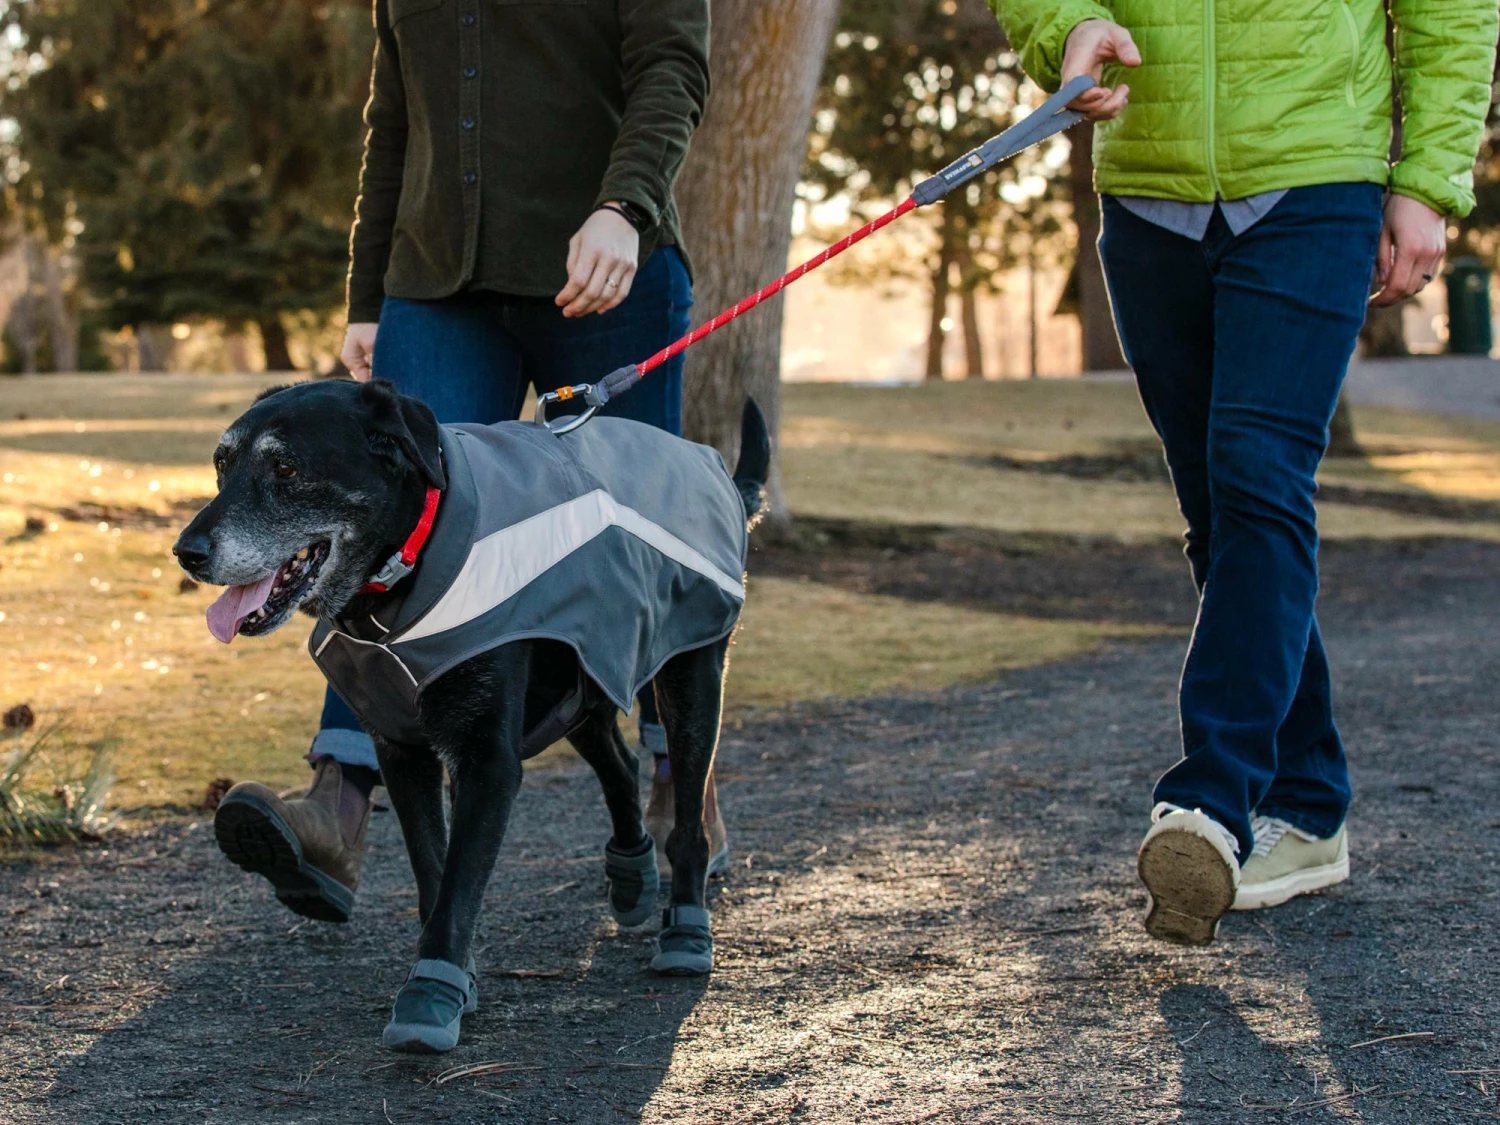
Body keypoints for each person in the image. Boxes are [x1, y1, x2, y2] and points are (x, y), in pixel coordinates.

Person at [990, 0, 1496, 944]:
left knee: (1259, 475)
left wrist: (1426, 179)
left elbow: (1451, 11)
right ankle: (1306, 804)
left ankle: (1211, 801)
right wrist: (1065, 28)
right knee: (1219, 511)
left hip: (1315, 181)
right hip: (1147, 193)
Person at [213, 0, 728, 923]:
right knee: (379, 536)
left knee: (642, 551)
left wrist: (625, 206)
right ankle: (342, 796)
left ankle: (674, 780)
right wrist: (367, 293)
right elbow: (395, 119)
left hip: (603, 271)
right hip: (435, 283)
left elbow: (672, 69)